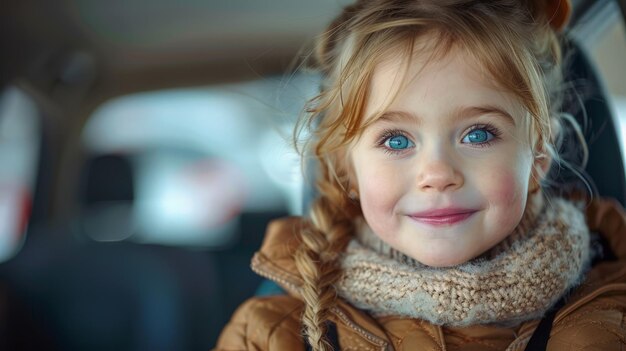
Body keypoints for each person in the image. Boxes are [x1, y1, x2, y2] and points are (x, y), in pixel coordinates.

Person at [214, 0, 626, 350]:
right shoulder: (273, 331)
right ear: (347, 168)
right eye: (396, 141)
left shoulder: (611, 304)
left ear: (538, 154)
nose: (438, 174)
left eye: (478, 134)